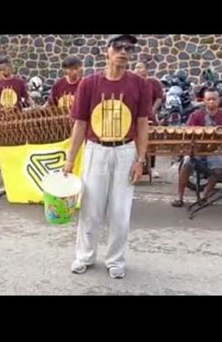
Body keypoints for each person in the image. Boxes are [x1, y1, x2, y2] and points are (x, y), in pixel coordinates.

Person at [64, 34, 152, 279]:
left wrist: (140, 160)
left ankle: (115, 259)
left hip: (126, 151)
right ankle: (85, 255)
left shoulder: (140, 85)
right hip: (96, 149)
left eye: (128, 48)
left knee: (120, 210)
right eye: (118, 47)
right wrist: (71, 158)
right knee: (90, 207)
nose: (123, 52)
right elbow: (80, 124)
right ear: (107, 51)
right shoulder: (89, 84)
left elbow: (143, 124)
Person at [171, 87, 222, 207]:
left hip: (216, 150)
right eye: (209, 99)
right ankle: (179, 197)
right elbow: (188, 131)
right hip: (197, 150)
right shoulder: (196, 115)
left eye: (214, 99)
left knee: (218, 168)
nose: (211, 101)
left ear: (219, 100)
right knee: (186, 165)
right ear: (204, 101)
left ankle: (205, 195)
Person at [134, 61, 164, 178]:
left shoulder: (153, 83)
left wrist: (152, 110)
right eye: (135, 67)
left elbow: (159, 97)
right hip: (135, 118)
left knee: (151, 143)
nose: (137, 69)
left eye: (140, 67)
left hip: (149, 117)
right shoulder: (132, 83)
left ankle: (152, 167)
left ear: (146, 70)